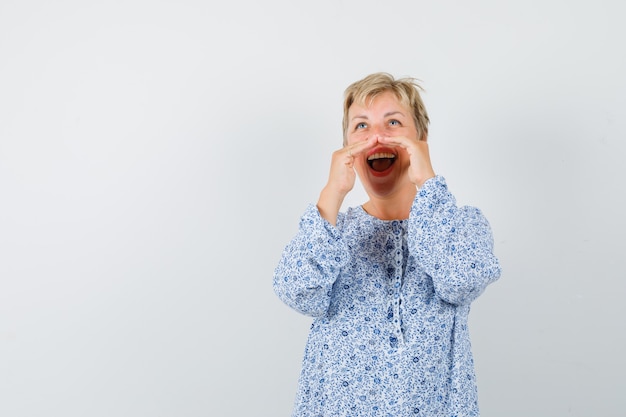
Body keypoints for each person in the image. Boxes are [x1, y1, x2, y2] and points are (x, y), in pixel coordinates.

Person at [273, 72, 501, 416]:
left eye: (393, 122)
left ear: (420, 138)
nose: (376, 136)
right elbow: (298, 291)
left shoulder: (458, 225)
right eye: (361, 126)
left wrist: (428, 181)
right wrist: (331, 194)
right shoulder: (332, 231)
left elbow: (462, 280)